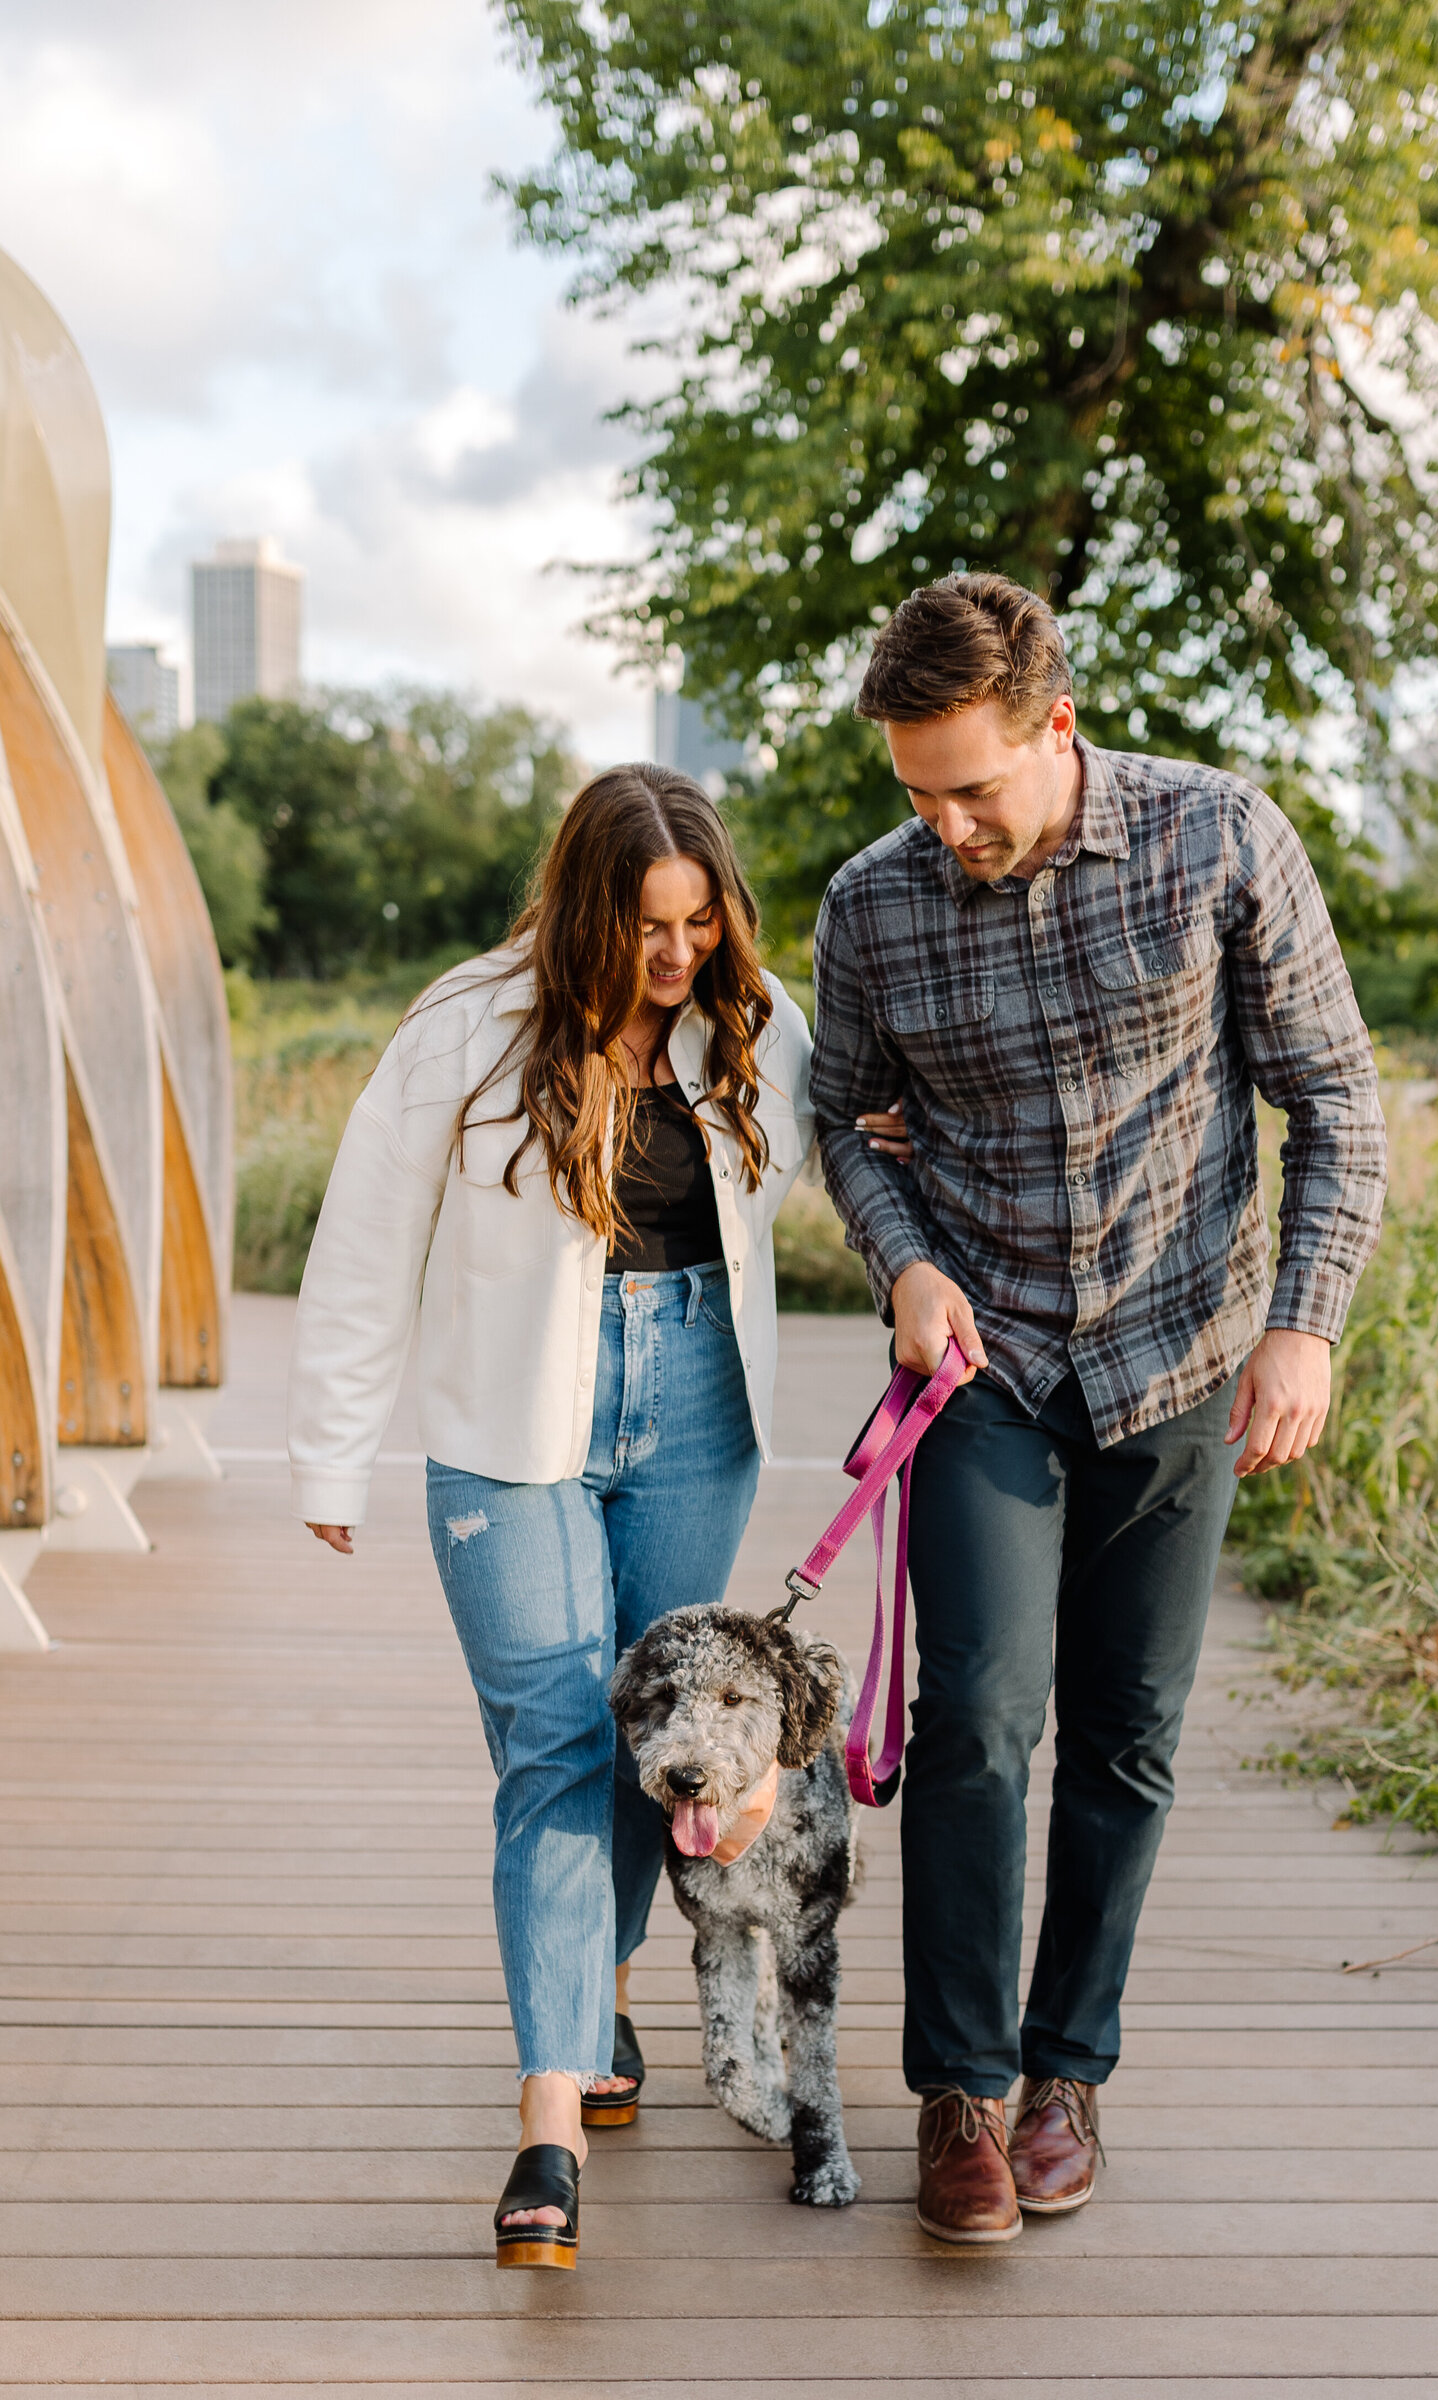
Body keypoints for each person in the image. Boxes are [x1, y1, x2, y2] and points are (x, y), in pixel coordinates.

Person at [810, 573, 1388, 2245]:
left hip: (1184, 1356)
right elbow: (846, 1119)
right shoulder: (876, 906)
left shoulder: (1221, 842)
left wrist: (1308, 1327)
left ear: (1055, 725)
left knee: (1126, 1743)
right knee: (977, 1724)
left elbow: (1335, 1097)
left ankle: (1069, 2075)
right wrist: (905, 1267)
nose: (945, 823)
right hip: (983, 1368)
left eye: (970, 786)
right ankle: (962, 2096)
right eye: (914, 791)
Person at [287, 762, 907, 2267]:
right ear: (582, 916)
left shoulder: (749, 1027)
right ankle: (551, 2119)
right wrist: (329, 1453)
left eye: (698, 921)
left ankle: (598, 1990)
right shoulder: (467, 1029)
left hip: (698, 1408)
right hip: (513, 1430)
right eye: (644, 927)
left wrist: (919, 1272)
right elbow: (368, 1235)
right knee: (561, 1743)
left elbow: (849, 1162)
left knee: (650, 1740)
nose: (678, 952)